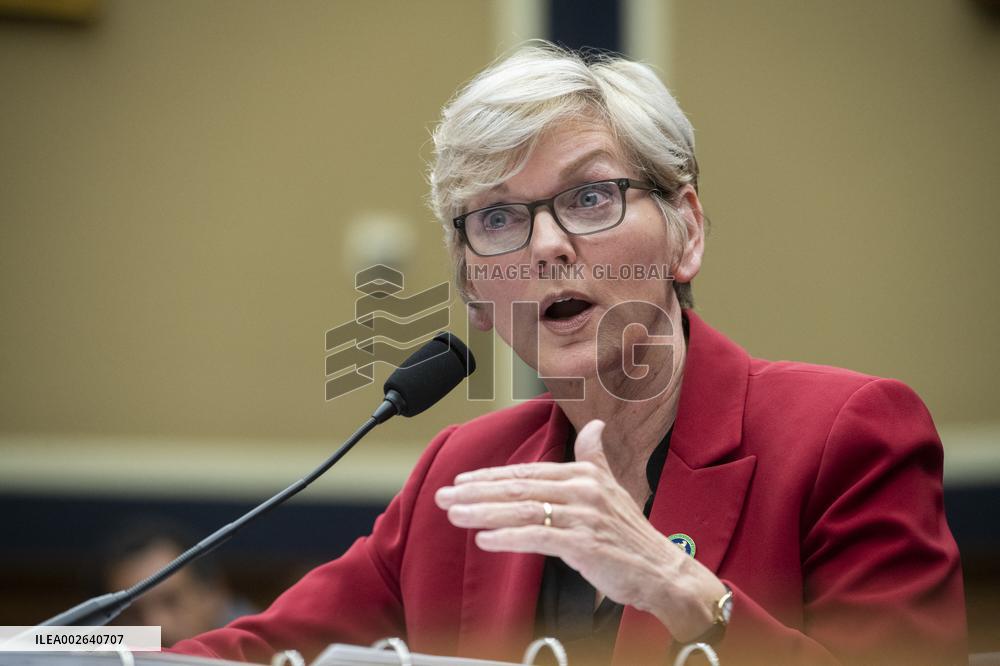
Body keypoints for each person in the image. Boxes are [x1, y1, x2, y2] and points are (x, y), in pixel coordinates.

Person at [171, 43, 966, 665]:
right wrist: (73, 648)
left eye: (590, 197)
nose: (547, 246)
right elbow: (251, 653)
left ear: (685, 233)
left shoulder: (844, 435)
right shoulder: (460, 475)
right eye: (497, 218)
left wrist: (685, 592)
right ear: (478, 296)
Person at [103, 521, 255, 647]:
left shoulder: (267, 653)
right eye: (134, 615)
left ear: (213, 594)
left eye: (171, 601)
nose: (157, 625)